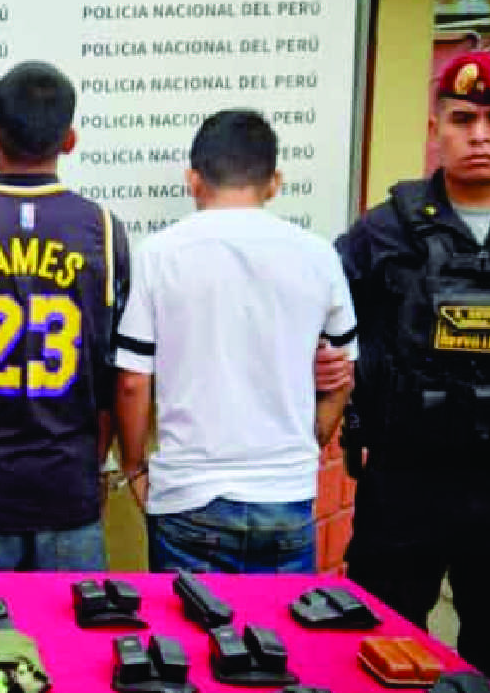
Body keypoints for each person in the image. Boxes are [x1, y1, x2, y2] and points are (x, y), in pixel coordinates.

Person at [333, 52, 490, 693]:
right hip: (407, 477)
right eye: (462, 119)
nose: (479, 135)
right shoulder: (383, 230)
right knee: (380, 642)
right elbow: (329, 320)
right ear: (436, 128)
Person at [115, 109, 357, 573]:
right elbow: (343, 370)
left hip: (187, 496)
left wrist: (134, 467)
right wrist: (311, 438)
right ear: (274, 183)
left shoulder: (159, 254)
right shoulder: (318, 255)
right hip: (286, 496)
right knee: (281, 621)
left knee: (189, 620)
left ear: (193, 180)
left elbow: (132, 380)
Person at [0, 62, 129, 571]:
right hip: (67, 485)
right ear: (70, 140)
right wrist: (97, 466)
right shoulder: (103, 229)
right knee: (73, 626)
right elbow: (112, 370)